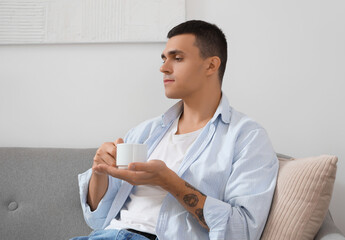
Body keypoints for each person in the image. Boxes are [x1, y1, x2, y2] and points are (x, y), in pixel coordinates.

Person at [72, 20, 279, 240]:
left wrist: (169, 181)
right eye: (164, 58)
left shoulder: (246, 137)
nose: (163, 67)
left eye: (177, 58)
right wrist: (99, 172)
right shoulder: (145, 132)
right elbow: (96, 218)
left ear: (211, 65)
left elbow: (242, 231)